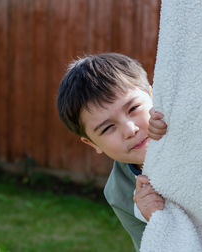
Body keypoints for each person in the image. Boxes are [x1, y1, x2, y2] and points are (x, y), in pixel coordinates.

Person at [57, 53, 167, 251]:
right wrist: (157, 221)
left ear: (152, 96)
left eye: (133, 108)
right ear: (92, 143)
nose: (130, 130)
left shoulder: (189, 135)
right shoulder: (119, 193)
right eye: (107, 128)